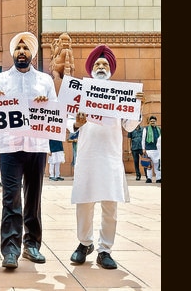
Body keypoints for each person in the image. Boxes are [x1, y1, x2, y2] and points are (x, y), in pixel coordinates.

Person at [69, 44, 143, 270]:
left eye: (105, 64)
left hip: (110, 157)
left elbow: (129, 127)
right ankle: (84, 243)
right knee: (84, 202)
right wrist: (77, 123)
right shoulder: (79, 94)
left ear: (110, 69)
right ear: (91, 69)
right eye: (98, 64)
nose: (101, 66)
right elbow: (68, 124)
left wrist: (137, 105)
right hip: (88, 156)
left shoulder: (120, 95)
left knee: (110, 205)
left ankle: (105, 250)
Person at [0, 32, 56, 269]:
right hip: (9, 146)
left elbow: (55, 113)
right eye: (18, 48)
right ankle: (10, 249)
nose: (21, 52)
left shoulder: (45, 81)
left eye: (26, 48)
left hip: (37, 146)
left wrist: (45, 104)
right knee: (11, 198)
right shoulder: (0, 80)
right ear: (12, 53)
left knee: (34, 197)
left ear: (32, 53)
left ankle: (32, 245)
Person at [141, 115, 161, 183]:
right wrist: (143, 149)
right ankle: (149, 178)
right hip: (149, 150)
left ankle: (158, 178)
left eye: (154, 121)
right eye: (151, 121)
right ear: (149, 122)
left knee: (157, 165)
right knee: (148, 165)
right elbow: (143, 139)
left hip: (157, 150)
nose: (152, 122)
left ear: (156, 121)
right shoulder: (146, 129)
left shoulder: (159, 129)